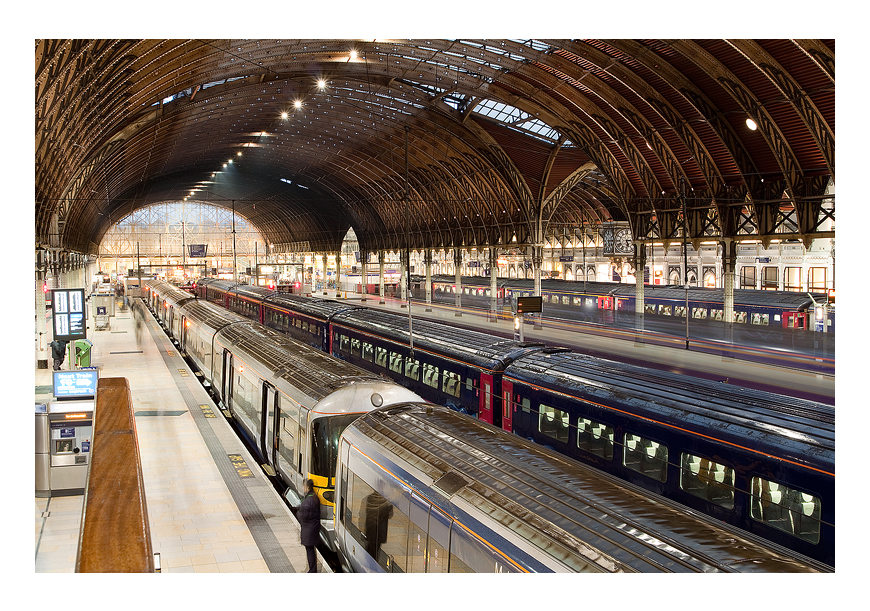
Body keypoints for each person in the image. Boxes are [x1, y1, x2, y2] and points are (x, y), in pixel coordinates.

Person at [297, 479, 320, 573]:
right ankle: (312, 569)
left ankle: (312, 570)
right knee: (311, 550)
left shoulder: (308, 501)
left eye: (304, 486)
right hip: (313, 528)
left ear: (307, 487)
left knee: (310, 551)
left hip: (309, 530)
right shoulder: (314, 497)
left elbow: (303, 516)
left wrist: (298, 512)